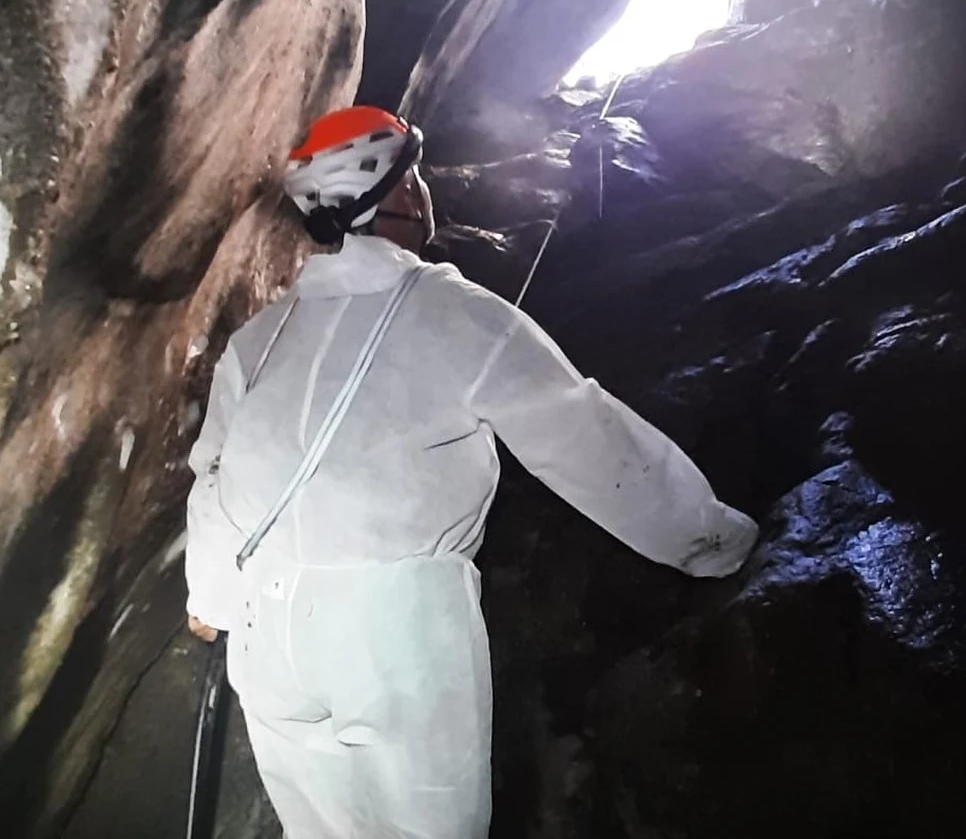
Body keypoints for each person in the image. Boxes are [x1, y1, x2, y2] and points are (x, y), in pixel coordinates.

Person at [184, 105, 758, 839]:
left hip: (268, 633)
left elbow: (216, 472)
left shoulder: (259, 338)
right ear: (388, 198)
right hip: (393, 625)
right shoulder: (457, 313)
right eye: (411, 177)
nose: (423, 193)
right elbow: (587, 438)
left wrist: (213, 596)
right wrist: (710, 540)